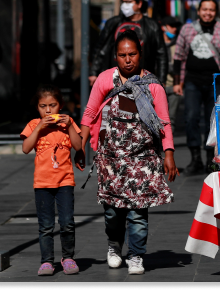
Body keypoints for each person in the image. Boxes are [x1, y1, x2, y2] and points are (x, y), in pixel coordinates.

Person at [77, 30, 179, 275]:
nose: (128, 59)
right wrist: (80, 145)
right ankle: (114, 245)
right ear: (116, 56)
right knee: (113, 212)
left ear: (140, 53)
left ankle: (136, 255)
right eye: (122, 55)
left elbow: (164, 121)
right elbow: (90, 113)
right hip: (110, 160)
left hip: (142, 161)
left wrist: (169, 153)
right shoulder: (104, 79)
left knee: (137, 212)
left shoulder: (154, 86)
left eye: (132, 54)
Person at [20, 85, 83, 276]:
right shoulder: (33, 124)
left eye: (53, 105)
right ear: (37, 108)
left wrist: (70, 125)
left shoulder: (68, 122)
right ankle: (47, 261)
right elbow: (25, 148)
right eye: (43, 106)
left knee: (67, 222)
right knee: (46, 225)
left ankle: (68, 257)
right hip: (42, 183)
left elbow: (78, 146)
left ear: (61, 105)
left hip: (65, 181)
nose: (48, 110)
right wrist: (39, 127)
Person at [173, 0, 220, 174]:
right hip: (192, 80)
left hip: (215, 82)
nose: (207, 13)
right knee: (191, 117)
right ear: (199, 11)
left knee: (214, 120)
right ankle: (195, 158)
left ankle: (211, 157)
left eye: (211, 10)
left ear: (216, 12)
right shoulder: (187, 29)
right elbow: (178, 56)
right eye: (204, 9)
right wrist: (178, 82)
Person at [89, 0, 167, 86]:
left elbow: (161, 54)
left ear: (139, 4)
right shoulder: (113, 23)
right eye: (123, 2)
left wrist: (161, 80)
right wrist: (94, 72)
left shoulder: (152, 25)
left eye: (128, 2)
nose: (124, 5)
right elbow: (101, 49)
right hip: (115, 81)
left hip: (143, 81)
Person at [161, 16, 182, 133]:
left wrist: (180, 83)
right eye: (171, 26)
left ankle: (168, 146)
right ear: (163, 28)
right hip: (158, 86)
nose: (174, 29)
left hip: (174, 86)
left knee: (171, 118)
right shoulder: (157, 44)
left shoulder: (178, 43)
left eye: (176, 27)